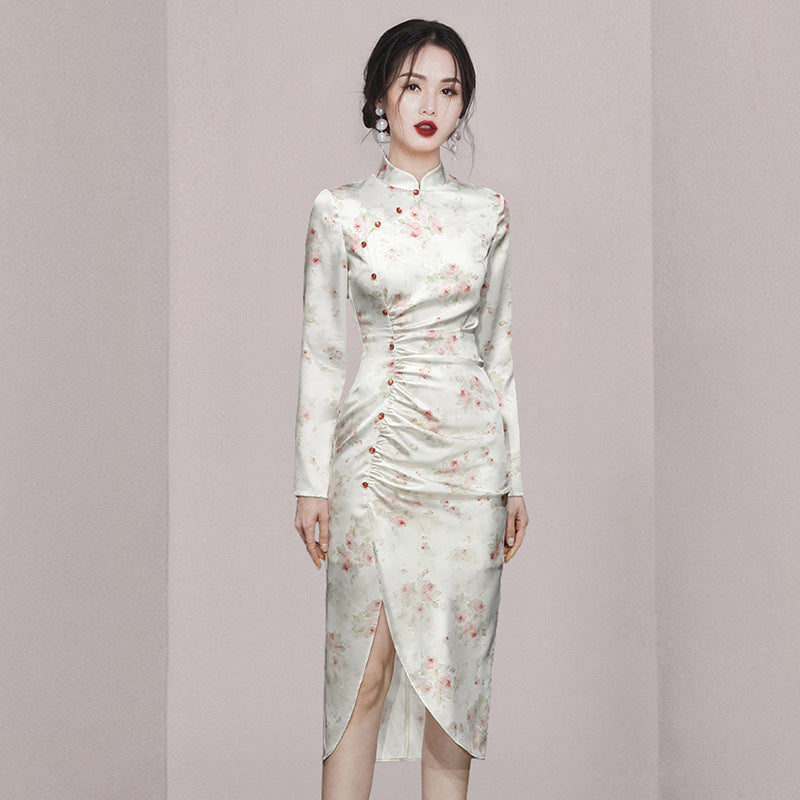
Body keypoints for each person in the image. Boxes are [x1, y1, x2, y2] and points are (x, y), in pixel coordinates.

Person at [292, 18, 530, 800]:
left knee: (453, 687)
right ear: (379, 99)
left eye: (449, 90)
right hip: (376, 452)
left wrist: (515, 478)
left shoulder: (488, 211)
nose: (431, 105)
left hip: (470, 463)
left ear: (463, 106)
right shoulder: (340, 211)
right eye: (412, 85)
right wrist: (311, 483)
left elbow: (498, 350)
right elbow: (322, 352)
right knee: (360, 676)